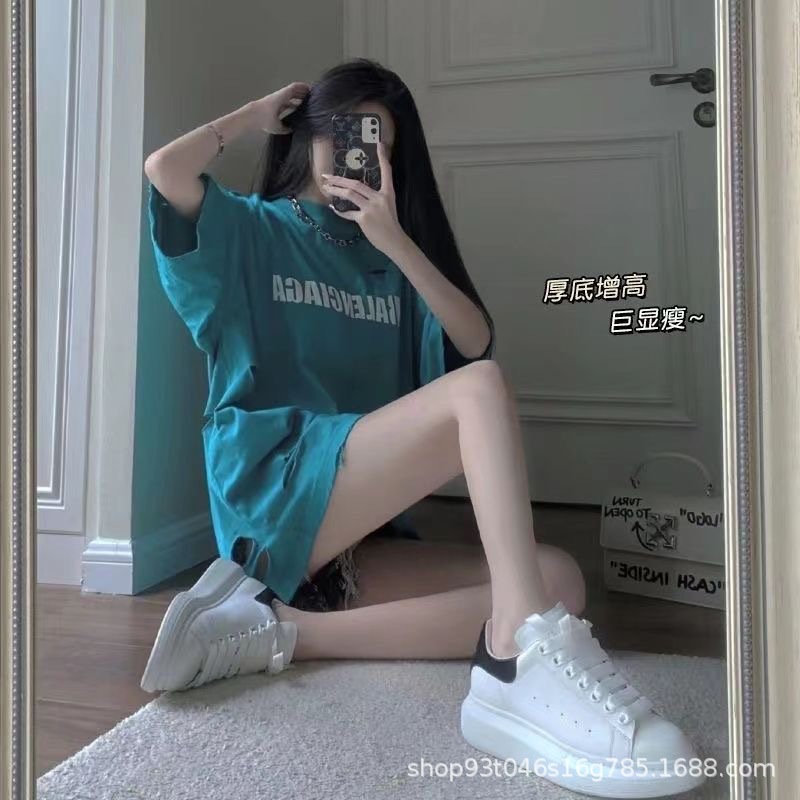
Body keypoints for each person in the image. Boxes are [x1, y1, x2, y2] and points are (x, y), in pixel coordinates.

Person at [139, 58, 704, 798]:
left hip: (353, 538)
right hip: (273, 497)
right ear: (307, 132)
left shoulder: (388, 258)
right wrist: (254, 115)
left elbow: (472, 338)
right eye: (347, 132)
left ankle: (281, 631)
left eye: (379, 143)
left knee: (555, 580)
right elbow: (165, 170)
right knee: (479, 395)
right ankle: (515, 659)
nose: (361, 153)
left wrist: (396, 240)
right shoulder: (250, 229)